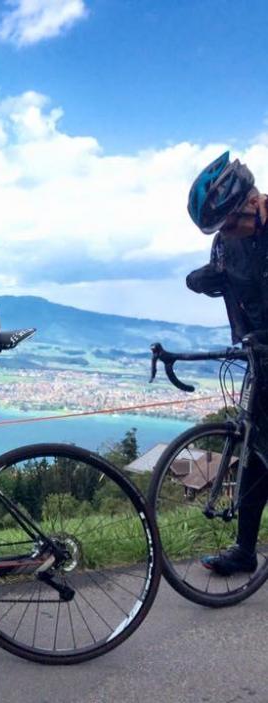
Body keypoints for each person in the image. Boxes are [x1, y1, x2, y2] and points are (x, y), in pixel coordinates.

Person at [186, 151, 268, 575]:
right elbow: (228, 276)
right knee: (255, 452)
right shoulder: (227, 242)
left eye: (229, 223)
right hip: (262, 357)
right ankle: (244, 551)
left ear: (253, 202)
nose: (226, 234)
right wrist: (203, 279)